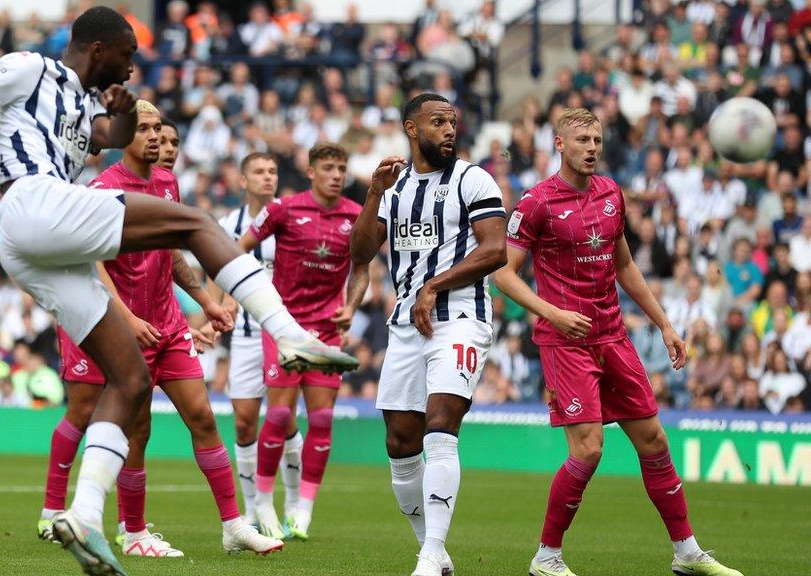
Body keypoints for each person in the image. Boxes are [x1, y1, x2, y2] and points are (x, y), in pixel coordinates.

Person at [0, 8, 358, 575]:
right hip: (33, 203)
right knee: (195, 222)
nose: (131, 65)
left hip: (44, 248)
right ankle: (290, 335)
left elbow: (106, 137)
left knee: (130, 379)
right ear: (100, 47)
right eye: (127, 54)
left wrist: (121, 118)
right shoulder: (29, 68)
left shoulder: (82, 102)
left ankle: (85, 516)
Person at [493, 108, 742, 576]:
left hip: (613, 335)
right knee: (588, 449)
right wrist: (553, 313)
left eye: (598, 139)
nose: (592, 147)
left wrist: (665, 324)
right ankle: (546, 557)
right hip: (564, 341)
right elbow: (503, 274)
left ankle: (687, 553)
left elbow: (624, 265)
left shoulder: (611, 193)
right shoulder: (536, 203)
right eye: (582, 139)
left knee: (654, 440)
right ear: (560, 144)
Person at [40, 102, 281, 557]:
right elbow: (91, 263)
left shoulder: (167, 183)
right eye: (145, 129)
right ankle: (130, 533)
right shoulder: (103, 189)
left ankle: (233, 525)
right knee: (136, 429)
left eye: (158, 129)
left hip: (167, 323)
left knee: (203, 417)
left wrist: (208, 302)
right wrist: (128, 320)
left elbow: (171, 250)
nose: (155, 137)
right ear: (124, 134)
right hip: (123, 326)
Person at [350, 93, 508, 576]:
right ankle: (433, 551)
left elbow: (496, 249)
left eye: (452, 122)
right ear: (411, 129)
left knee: (440, 426)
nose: (448, 130)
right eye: (437, 121)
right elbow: (359, 252)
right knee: (400, 442)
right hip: (405, 325)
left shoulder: (473, 179)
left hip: (461, 315)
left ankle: (428, 555)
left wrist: (434, 286)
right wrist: (373, 192)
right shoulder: (395, 189)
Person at [238, 143, 370, 541]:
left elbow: (361, 270)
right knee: (278, 416)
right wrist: (244, 300)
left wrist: (351, 305)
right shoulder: (283, 209)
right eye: (328, 167)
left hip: (327, 330)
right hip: (282, 326)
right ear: (311, 172)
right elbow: (239, 251)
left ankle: (303, 506)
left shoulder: (355, 216)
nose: (336, 175)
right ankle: (262, 502)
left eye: (341, 168)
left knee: (323, 420)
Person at [209, 152, 305, 528]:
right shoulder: (227, 225)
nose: (268, 178)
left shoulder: (294, 219)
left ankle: (295, 504)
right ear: (243, 181)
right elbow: (216, 276)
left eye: (273, 171)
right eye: (259, 172)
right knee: (246, 423)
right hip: (246, 338)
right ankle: (251, 509)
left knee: (283, 419)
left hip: (283, 333)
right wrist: (210, 315)